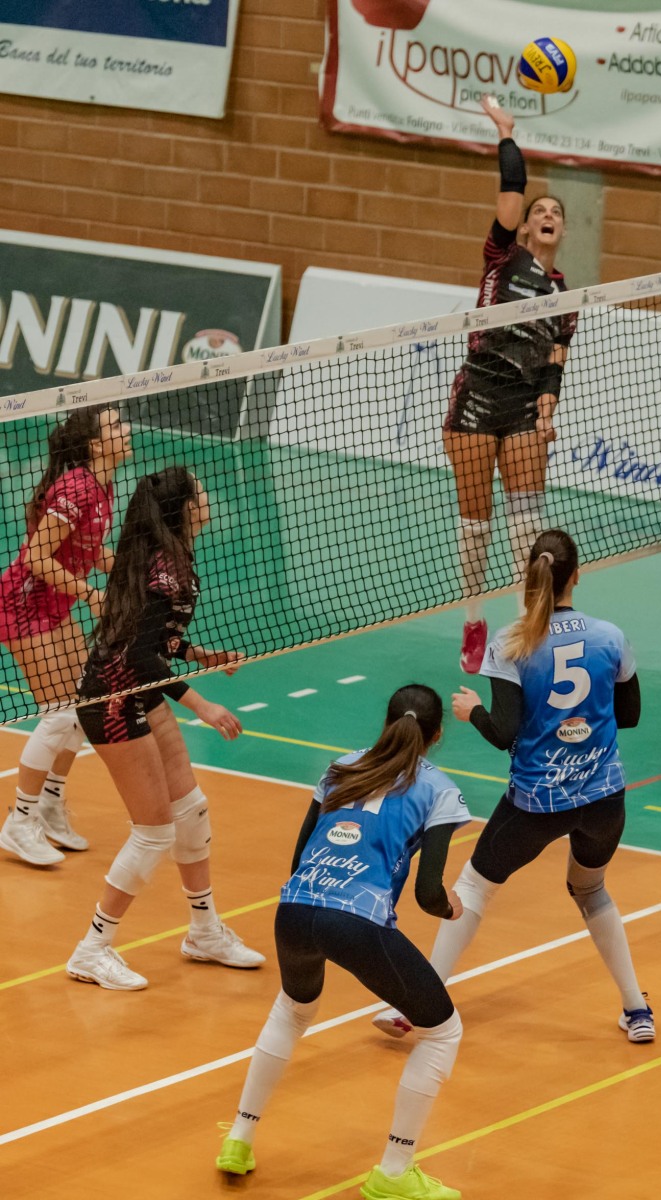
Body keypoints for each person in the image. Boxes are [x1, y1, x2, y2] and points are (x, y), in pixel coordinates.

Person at [374, 530, 654, 1046]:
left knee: (475, 887)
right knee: (591, 890)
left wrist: (473, 711)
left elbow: (504, 732)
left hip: (537, 803)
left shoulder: (511, 642)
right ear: (576, 576)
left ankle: (415, 1006)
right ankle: (637, 1010)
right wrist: (579, 723)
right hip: (603, 798)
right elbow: (630, 714)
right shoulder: (611, 637)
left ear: (529, 575)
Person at [216, 685, 470, 1200]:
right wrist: (451, 907)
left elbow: (298, 857)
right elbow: (428, 895)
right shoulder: (440, 790)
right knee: (442, 1033)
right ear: (437, 734)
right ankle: (394, 1172)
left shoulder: (342, 766)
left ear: (387, 721)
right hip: (356, 920)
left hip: (294, 909)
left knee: (292, 1010)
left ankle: (239, 1138)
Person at [66, 466, 264, 990]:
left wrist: (200, 654)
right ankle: (92, 950)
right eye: (201, 491)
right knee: (154, 831)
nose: (208, 496)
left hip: (139, 690)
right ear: (186, 508)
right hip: (113, 700)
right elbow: (138, 655)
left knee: (190, 810)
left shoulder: (168, 557)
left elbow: (155, 638)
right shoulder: (165, 568)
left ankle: (204, 932)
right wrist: (202, 705)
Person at [447, 94, 577, 674]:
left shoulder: (565, 294)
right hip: (478, 394)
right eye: (538, 209)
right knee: (477, 523)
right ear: (525, 224)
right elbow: (512, 188)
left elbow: (554, 362)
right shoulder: (502, 256)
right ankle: (474, 619)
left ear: (562, 229)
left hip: (525, 407)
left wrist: (547, 413)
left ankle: (531, 622)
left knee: (527, 523)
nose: (547, 214)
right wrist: (507, 133)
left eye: (556, 212)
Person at [0, 406, 132, 867]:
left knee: (85, 704)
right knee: (58, 715)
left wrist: (134, 572)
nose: (126, 430)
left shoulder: (103, 485)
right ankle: (20, 822)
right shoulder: (76, 489)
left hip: (55, 605)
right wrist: (91, 594)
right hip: (23, 605)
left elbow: (87, 549)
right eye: (115, 426)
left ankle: (50, 803)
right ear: (95, 444)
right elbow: (37, 558)